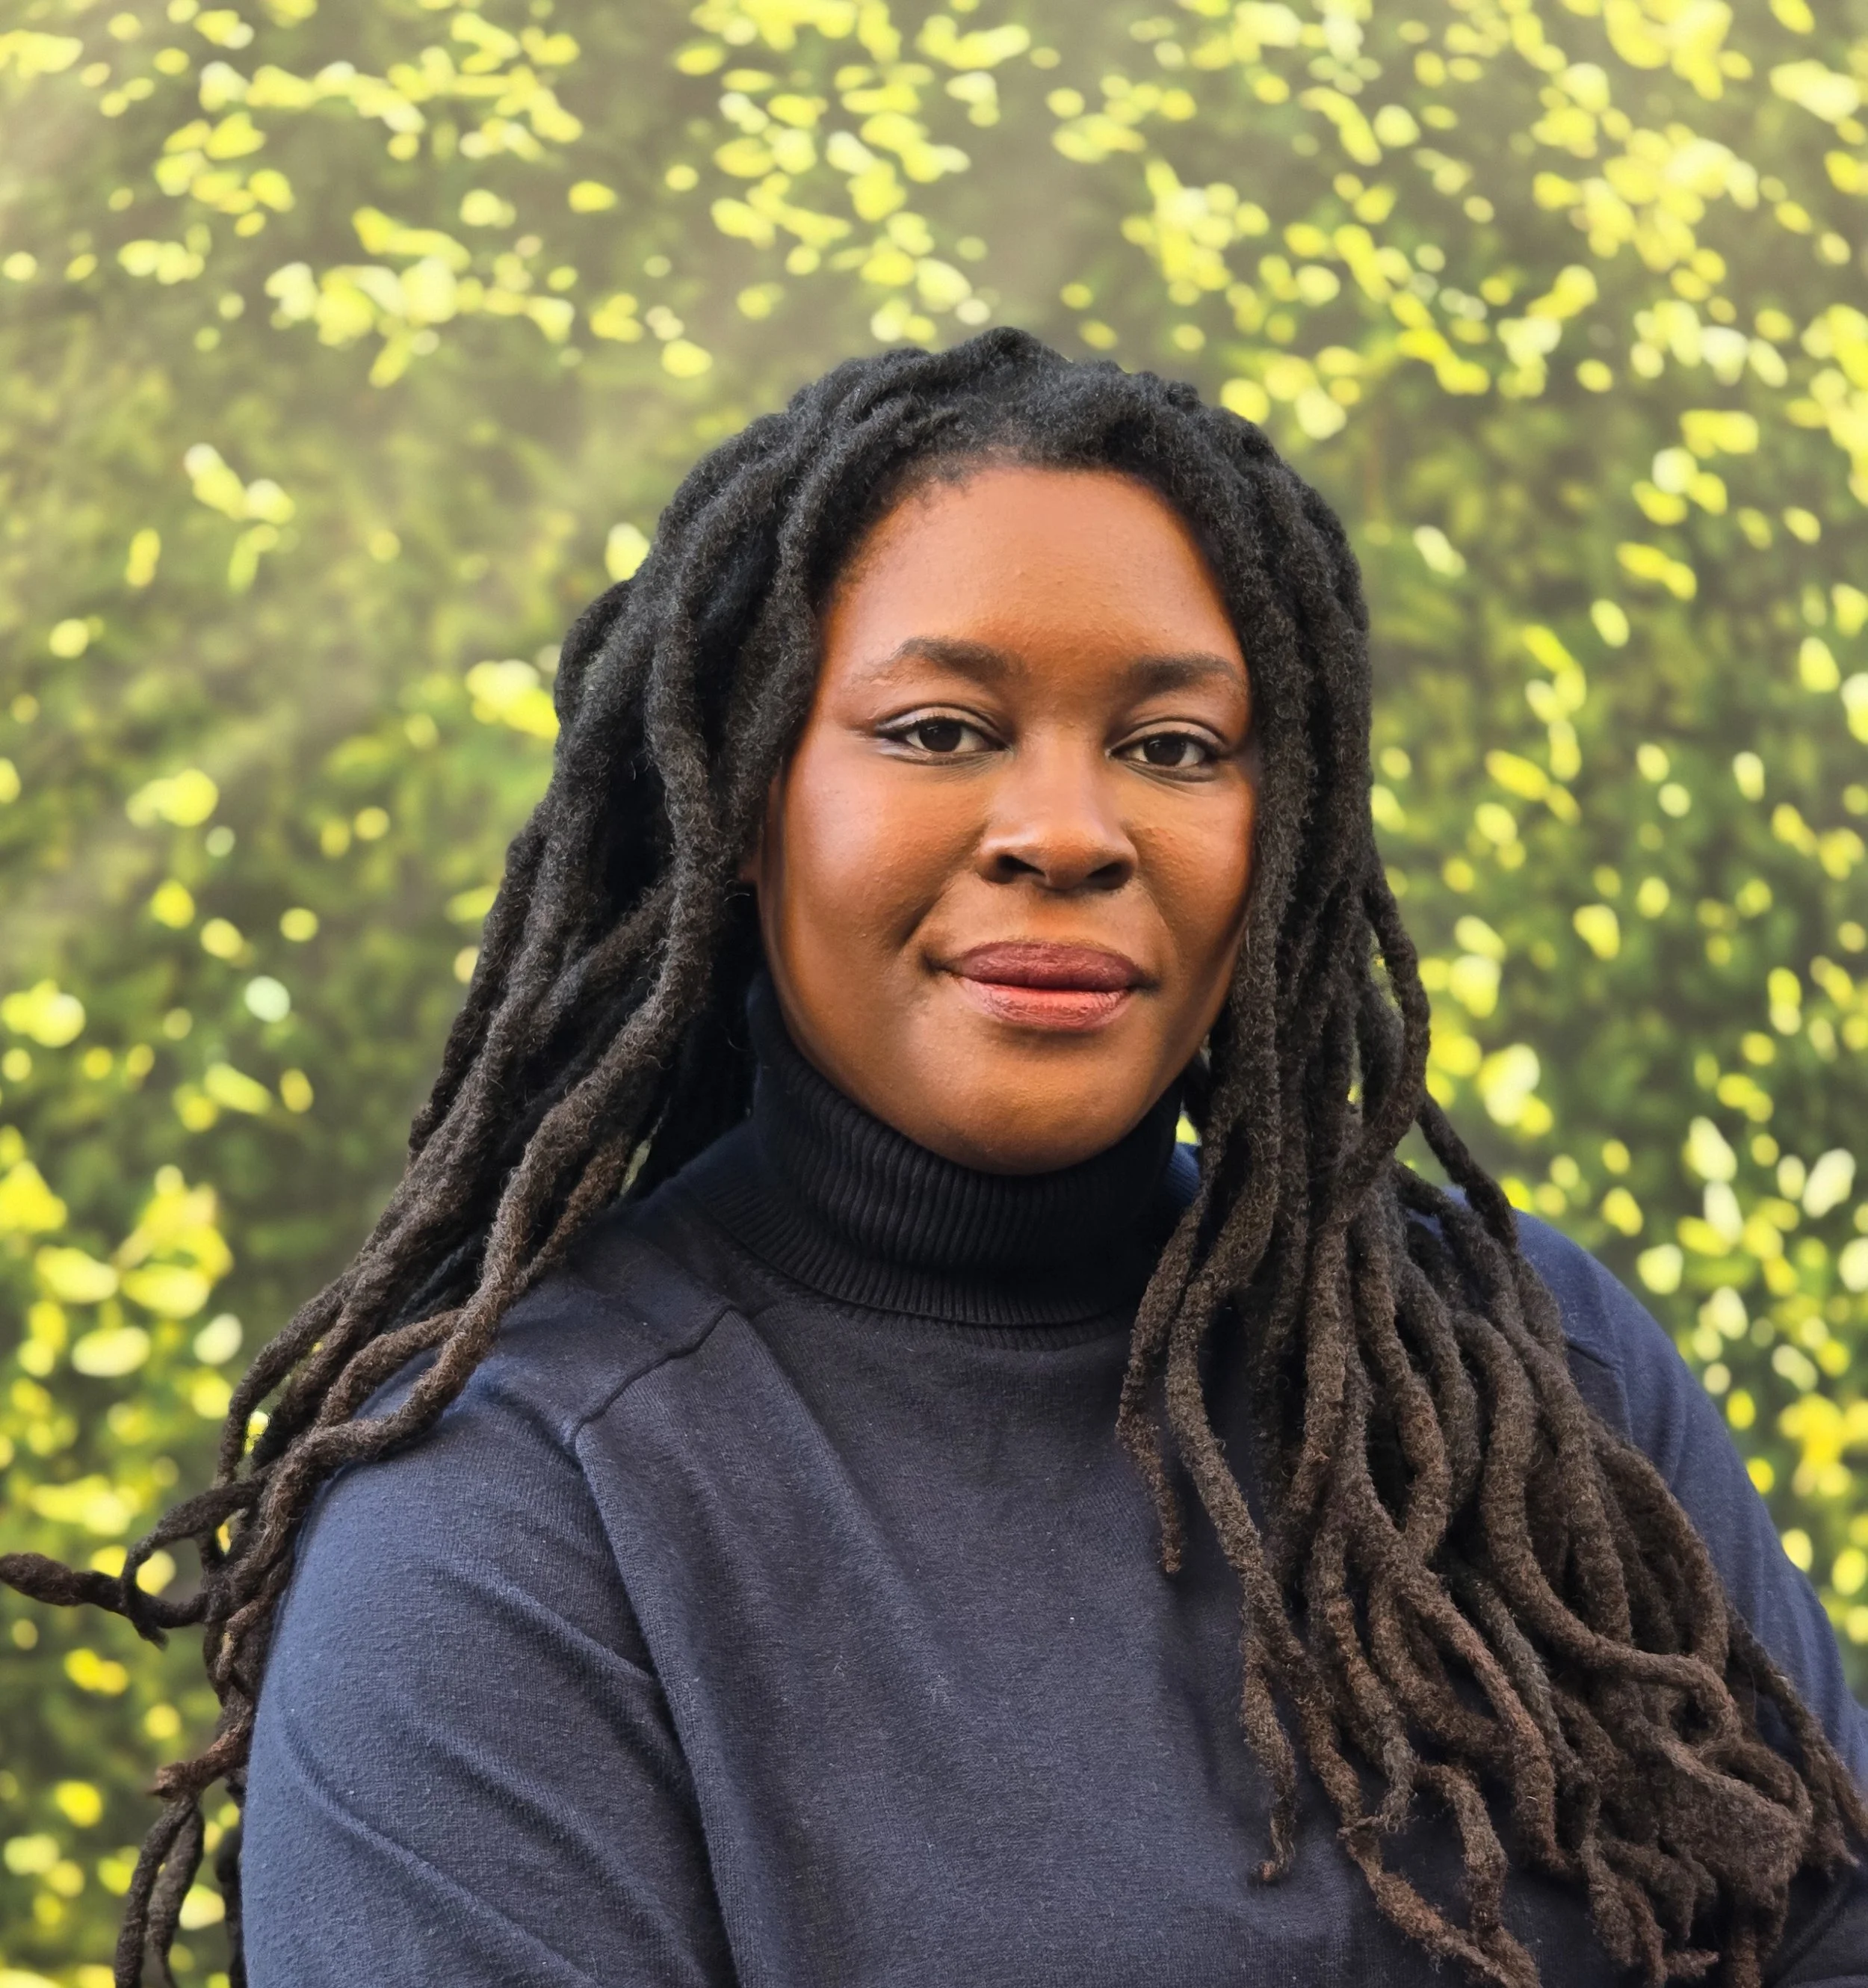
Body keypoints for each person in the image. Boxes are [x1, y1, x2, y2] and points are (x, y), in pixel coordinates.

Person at [6, 330, 1867, 1988]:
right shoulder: (508, 1518)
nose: (1066, 829)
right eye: (937, 731)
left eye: (1171, 745)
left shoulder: (1524, 1365)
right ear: (741, 804)